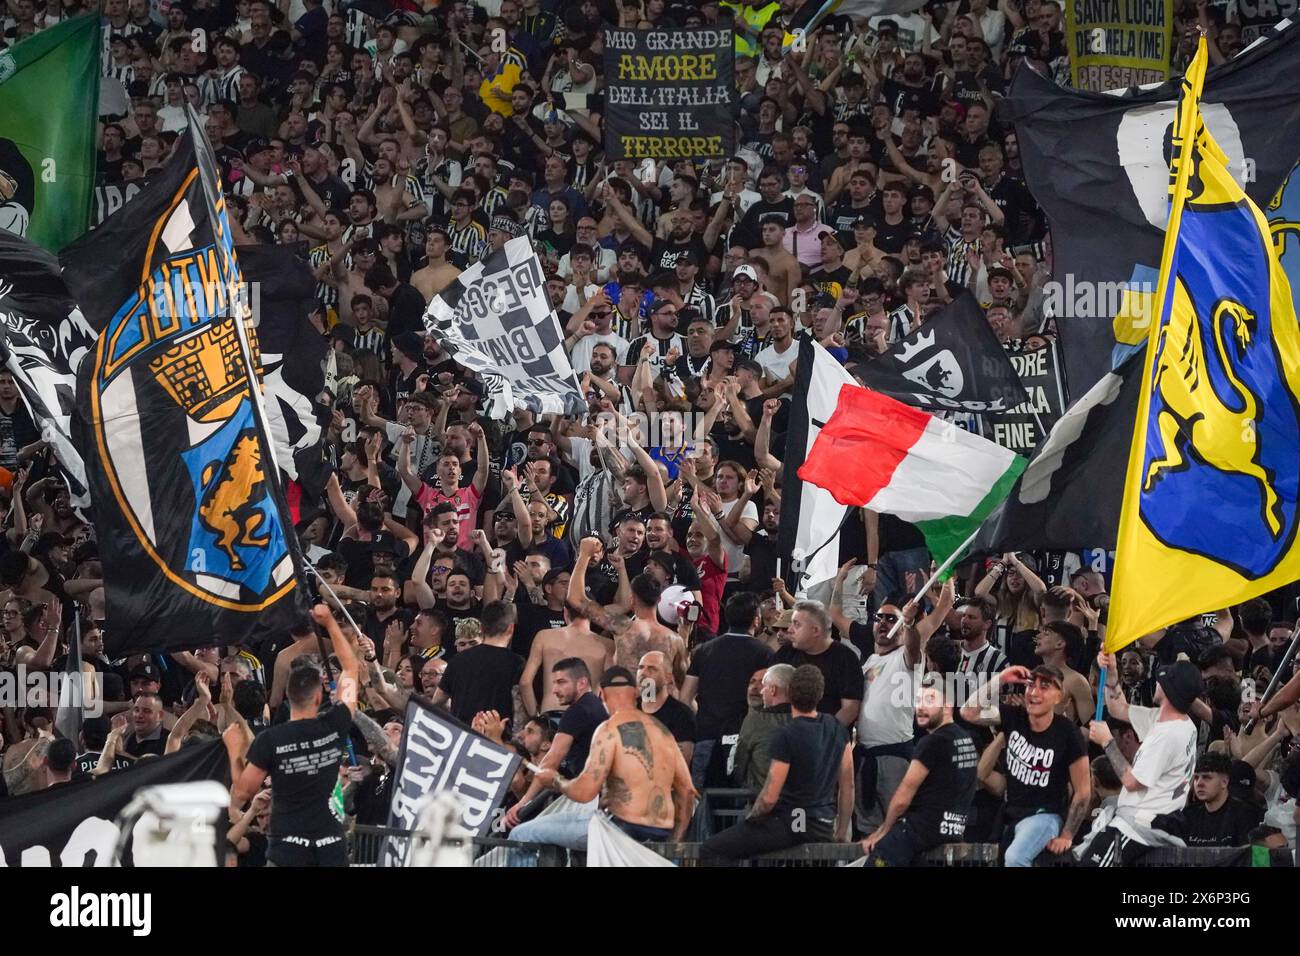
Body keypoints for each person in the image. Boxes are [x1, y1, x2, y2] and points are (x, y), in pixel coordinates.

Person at [232, 605, 360, 867]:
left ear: (288, 696)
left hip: (287, 849)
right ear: (318, 696)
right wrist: (329, 624)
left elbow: (242, 793)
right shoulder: (335, 723)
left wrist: (234, 751)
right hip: (330, 847)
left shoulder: (270, 740)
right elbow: (350, 668)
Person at [518, 667, 696, 850]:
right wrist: (675, 845)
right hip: (660, 832)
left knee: (520, 834)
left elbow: (584, 792)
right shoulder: (663, 732)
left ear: (601, 694)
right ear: (636, 693)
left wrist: (555, 780)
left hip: (618, 828)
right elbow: (688, 791)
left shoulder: (609, 730)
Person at [701, 665, 854, 862]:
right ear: (820, 694)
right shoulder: (836, 728)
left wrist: (751, 819)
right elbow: (847, 785)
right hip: (823, 825)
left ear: (789, 693)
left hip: (789, 825)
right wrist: (841, 831)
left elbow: (769, 797)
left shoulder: (786, 734)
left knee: (711, 849)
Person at [961, 664, 1091, 866]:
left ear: (1059, 696)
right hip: (1010, 814)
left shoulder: (1068, 733)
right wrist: (1001, 679)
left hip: (1045, 815)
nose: (1035, 692)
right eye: (1031, 685)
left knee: (1016, 858)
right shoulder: (1014, 717)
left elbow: (1083, 792)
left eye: (1045, 686)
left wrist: (1067, 835)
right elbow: (968, 712)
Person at [1084, 656, 1203, 866]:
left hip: (1141, 825)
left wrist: (1107, 741)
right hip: (1149, 822)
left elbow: (1131, 781)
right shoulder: (1175, 721)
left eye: (1162, 680)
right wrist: (1112, 675)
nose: (1157, 682)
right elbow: (1118, 708)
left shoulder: (1168, 735)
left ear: (1168, 690)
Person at [861, 675, 980, 866]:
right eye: (918, 700)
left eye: (930, 699)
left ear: (947, 705)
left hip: (921, 829)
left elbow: (903, 798)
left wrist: (883, 832)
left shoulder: (932, 742)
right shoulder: (966, 739)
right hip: (953, 830)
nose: (921, 707)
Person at [679, 592, 773, 788]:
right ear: (756, 621)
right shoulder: (764, 654)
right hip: (747, 742)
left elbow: (685, 697)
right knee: (742, 805)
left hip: (707, 736)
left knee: (704, 805)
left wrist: (703, 716)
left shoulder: (704, 651)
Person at [431, 601, 524, 726]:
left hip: (463, 736)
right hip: (498, 738)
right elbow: (521, 707)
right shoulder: (517, 663)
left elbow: (437, 700)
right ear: (511, 628)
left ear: (482, 628)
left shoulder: (457, 661)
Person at [773, 601, 862, 727]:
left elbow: (850, 708)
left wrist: (823, 734)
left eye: (796, 625)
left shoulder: (846, 659)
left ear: (815, 630)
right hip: (788, 734)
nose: (790, 630)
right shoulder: (785, 654)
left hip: (828, 738)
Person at [735, 663, 795, 792]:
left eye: (764, 686)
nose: (759, 690)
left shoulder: (755, 721)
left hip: (764, 801)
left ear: (772, 690)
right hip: (808, 804)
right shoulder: (817, 722)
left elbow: (739, 765)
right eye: (752, 682)